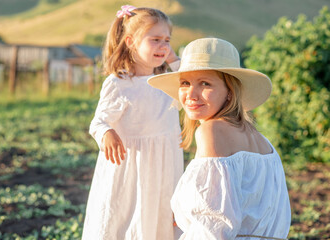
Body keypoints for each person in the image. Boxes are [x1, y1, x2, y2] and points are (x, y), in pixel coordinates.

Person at [148, 38, 291, 240]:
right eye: (185, 83)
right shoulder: (262, 141)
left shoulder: (211, 131)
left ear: (230, 92)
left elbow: (214, 226)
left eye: (205, 83)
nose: (191, 94)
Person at [82, 5, 184, 240]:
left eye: (167, 40)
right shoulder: (119, 83)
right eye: (155, 39)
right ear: (130, 41)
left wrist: (174, 59)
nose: (163, 46)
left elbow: (190, 79)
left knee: (160, 219)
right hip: (132, 170)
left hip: (165, 167)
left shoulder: (168, 81)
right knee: (128, 218)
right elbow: (99, 121)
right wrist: (107, 132)